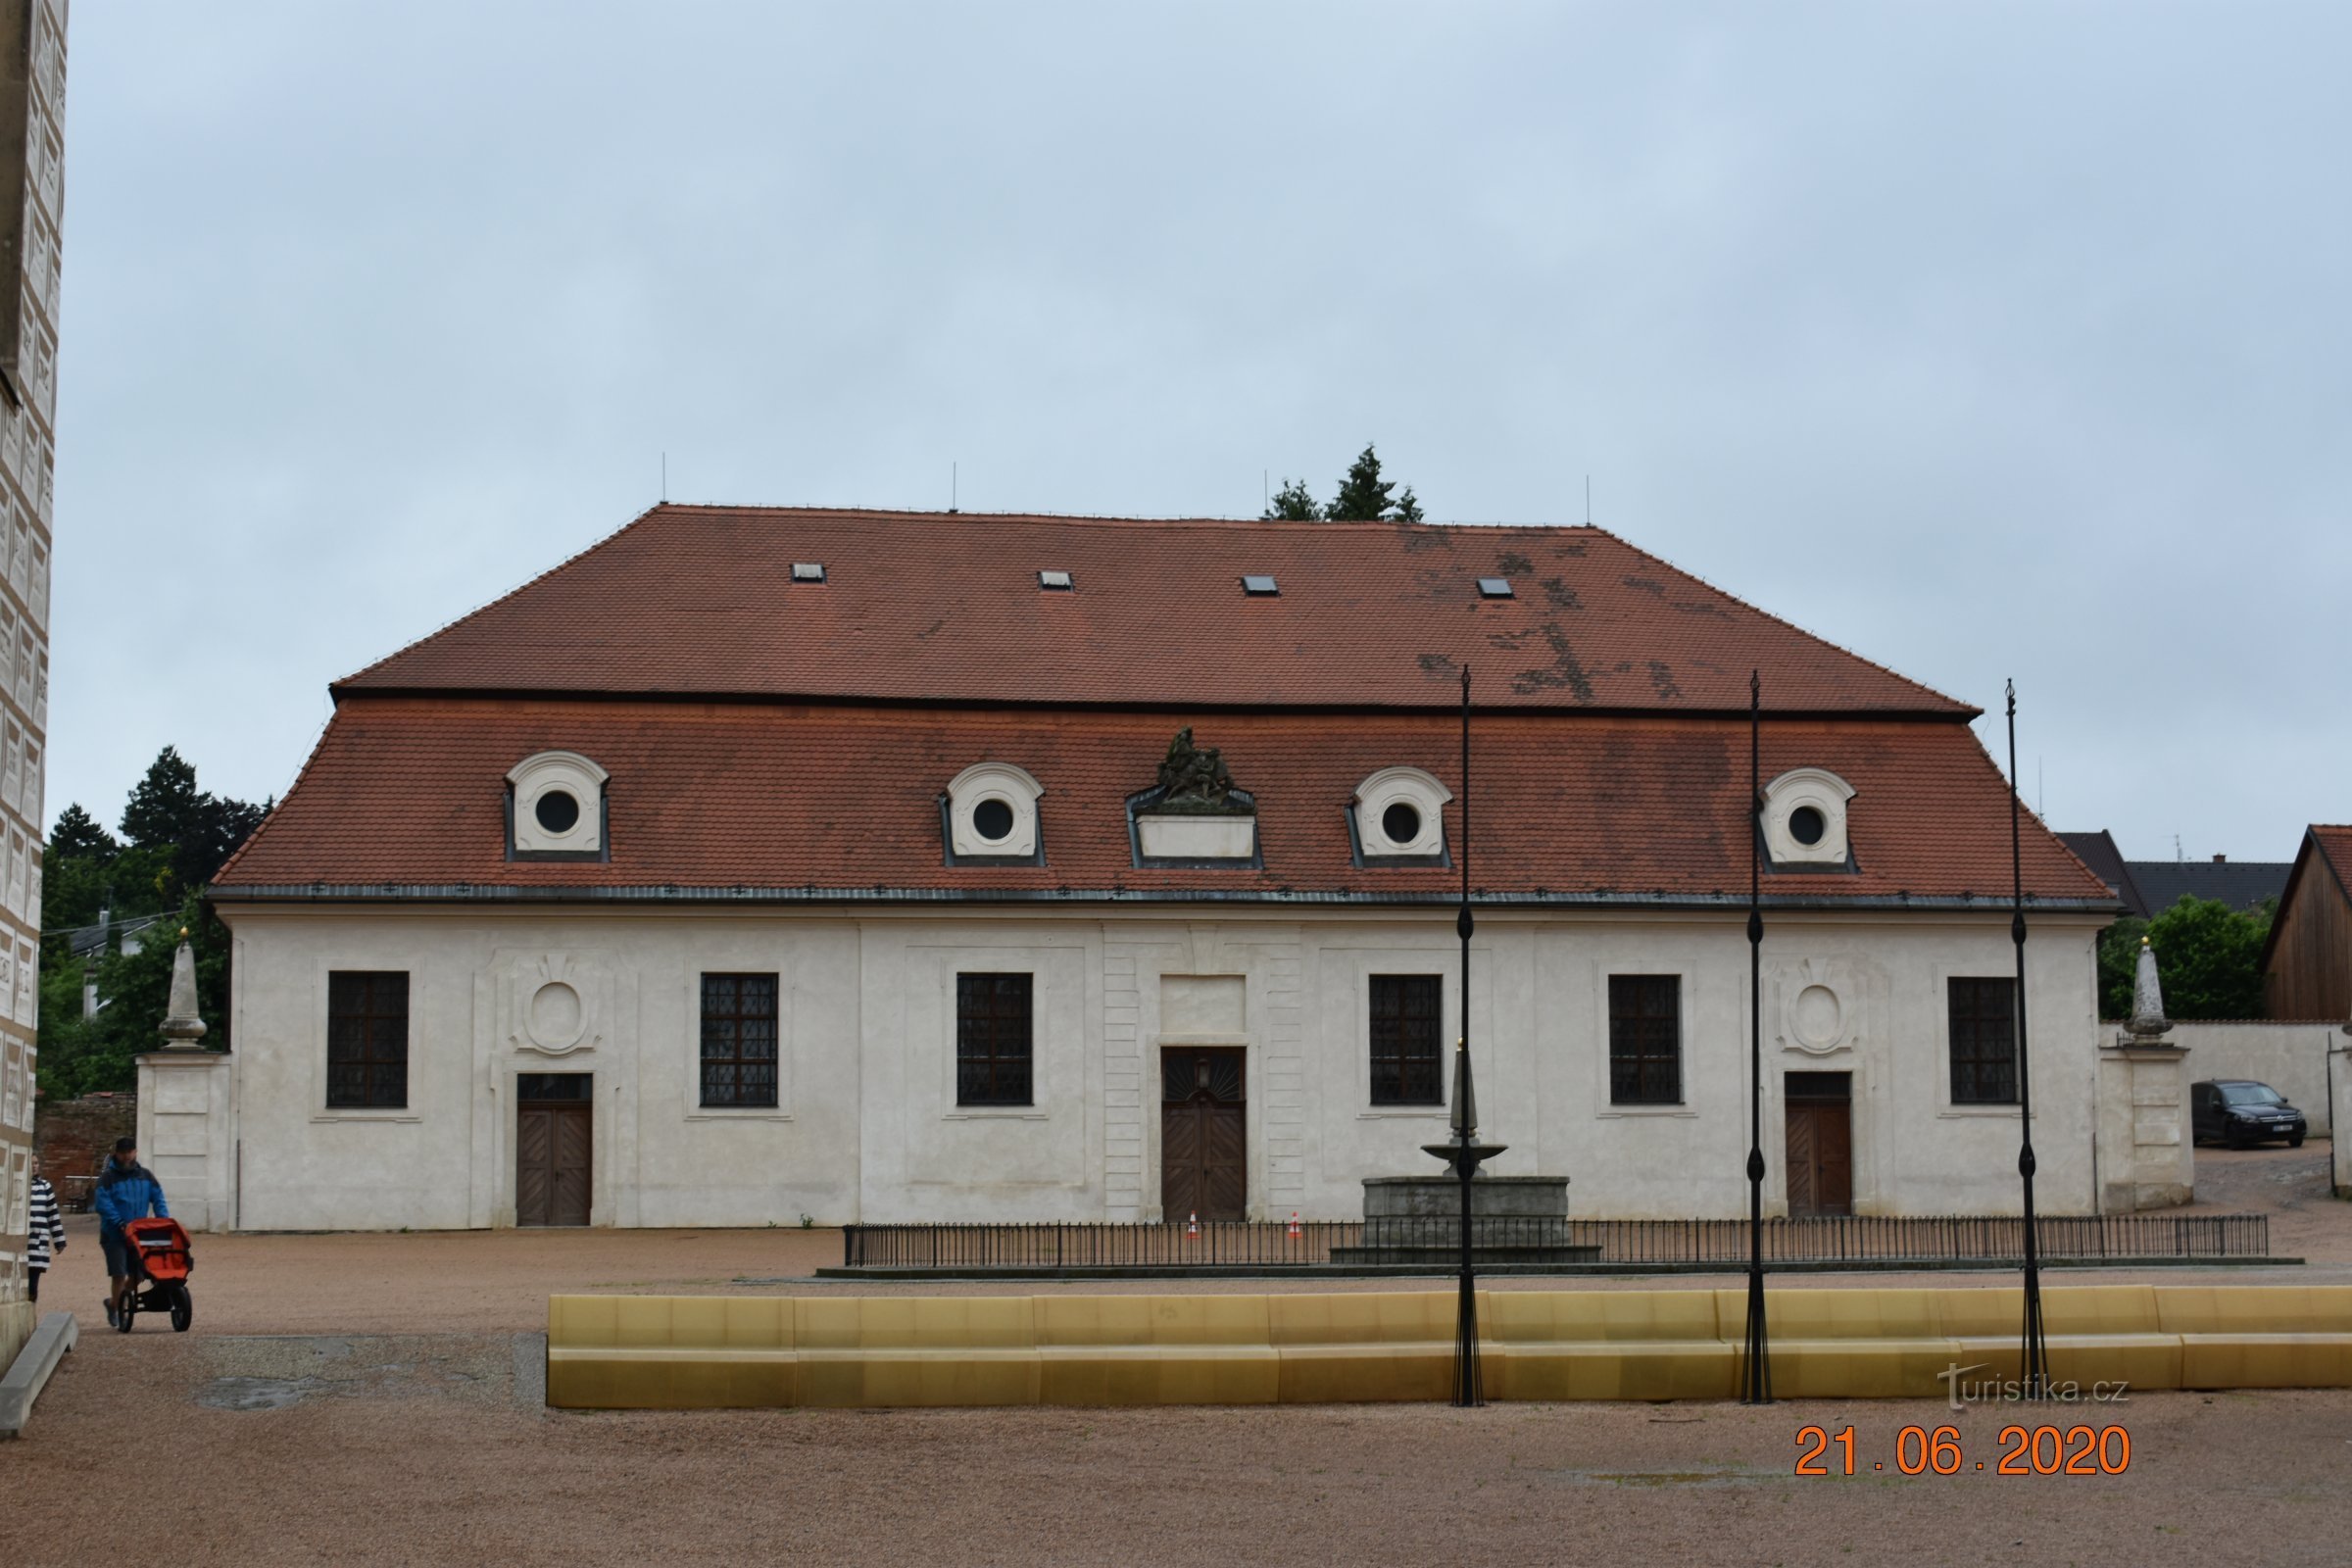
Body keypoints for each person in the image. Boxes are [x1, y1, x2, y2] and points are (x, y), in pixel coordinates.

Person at [92, 1137, 169, 1328]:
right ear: (116, 1154)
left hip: (139, 1233)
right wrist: (119, 1222)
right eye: (123, 1153)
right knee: (118, 1273)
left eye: (130, 1152)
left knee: (140, 1274)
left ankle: (113, 1303)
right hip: (114, 1234)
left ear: (135, 1152)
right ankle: (118, 1310)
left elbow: (158, 1197)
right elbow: (103, 1204)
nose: (127, 1156)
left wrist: (163, 1220)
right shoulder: (107, 1178)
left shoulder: (145, 1176)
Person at [26, 1152, 64, 1302]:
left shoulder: (45, 1186)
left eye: (36, 1163)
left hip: (38, 1243)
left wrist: (59, 1240)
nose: (34, 1166)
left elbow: (52, 1214)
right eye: (31, 1163)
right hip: (24, 1242)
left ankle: (30, 1311)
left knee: (33, 1284)